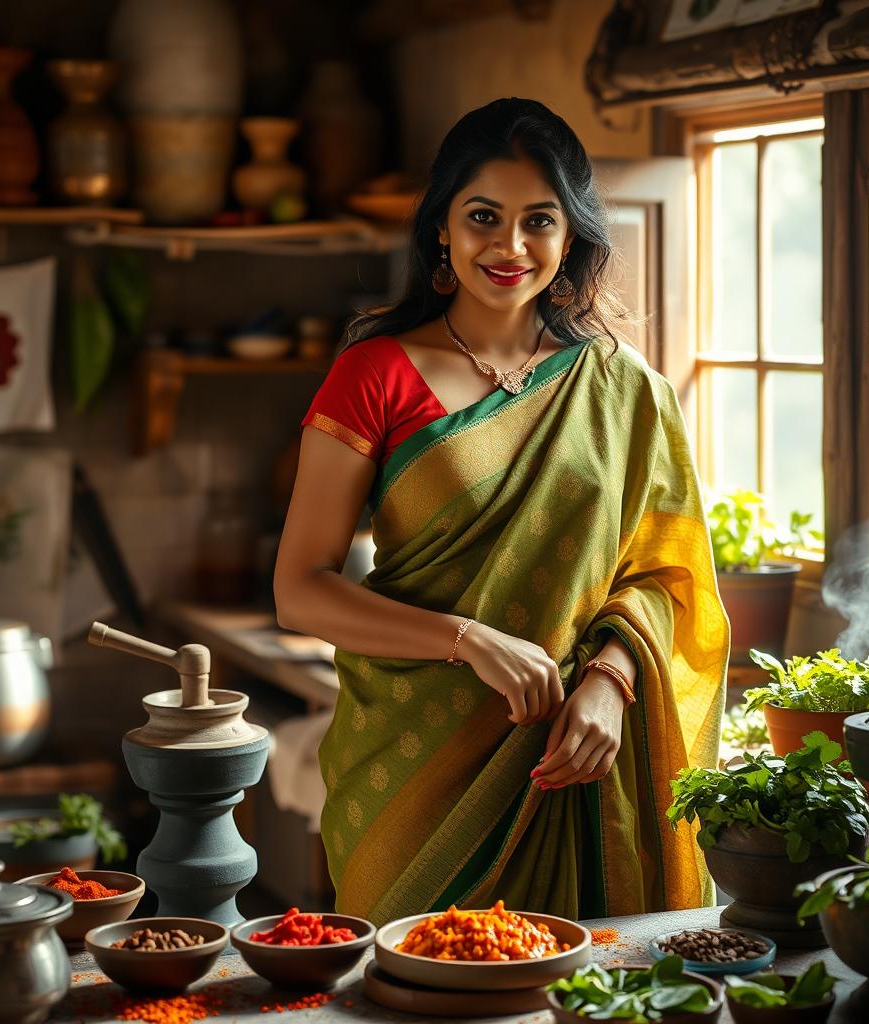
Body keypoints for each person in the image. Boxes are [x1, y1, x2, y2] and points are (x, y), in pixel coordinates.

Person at [273, 97, 729, 926]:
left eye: (539, 221)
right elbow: (300, 591)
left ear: (572, 235)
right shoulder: (374, 374)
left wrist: (612, 680)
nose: (510, 247)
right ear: (442, 227)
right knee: (417, 990)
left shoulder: (623, 388)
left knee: (587, 996)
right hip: (413, 769)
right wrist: (469, 640)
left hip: (578, 758)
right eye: (483, 215)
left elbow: (668, 577)